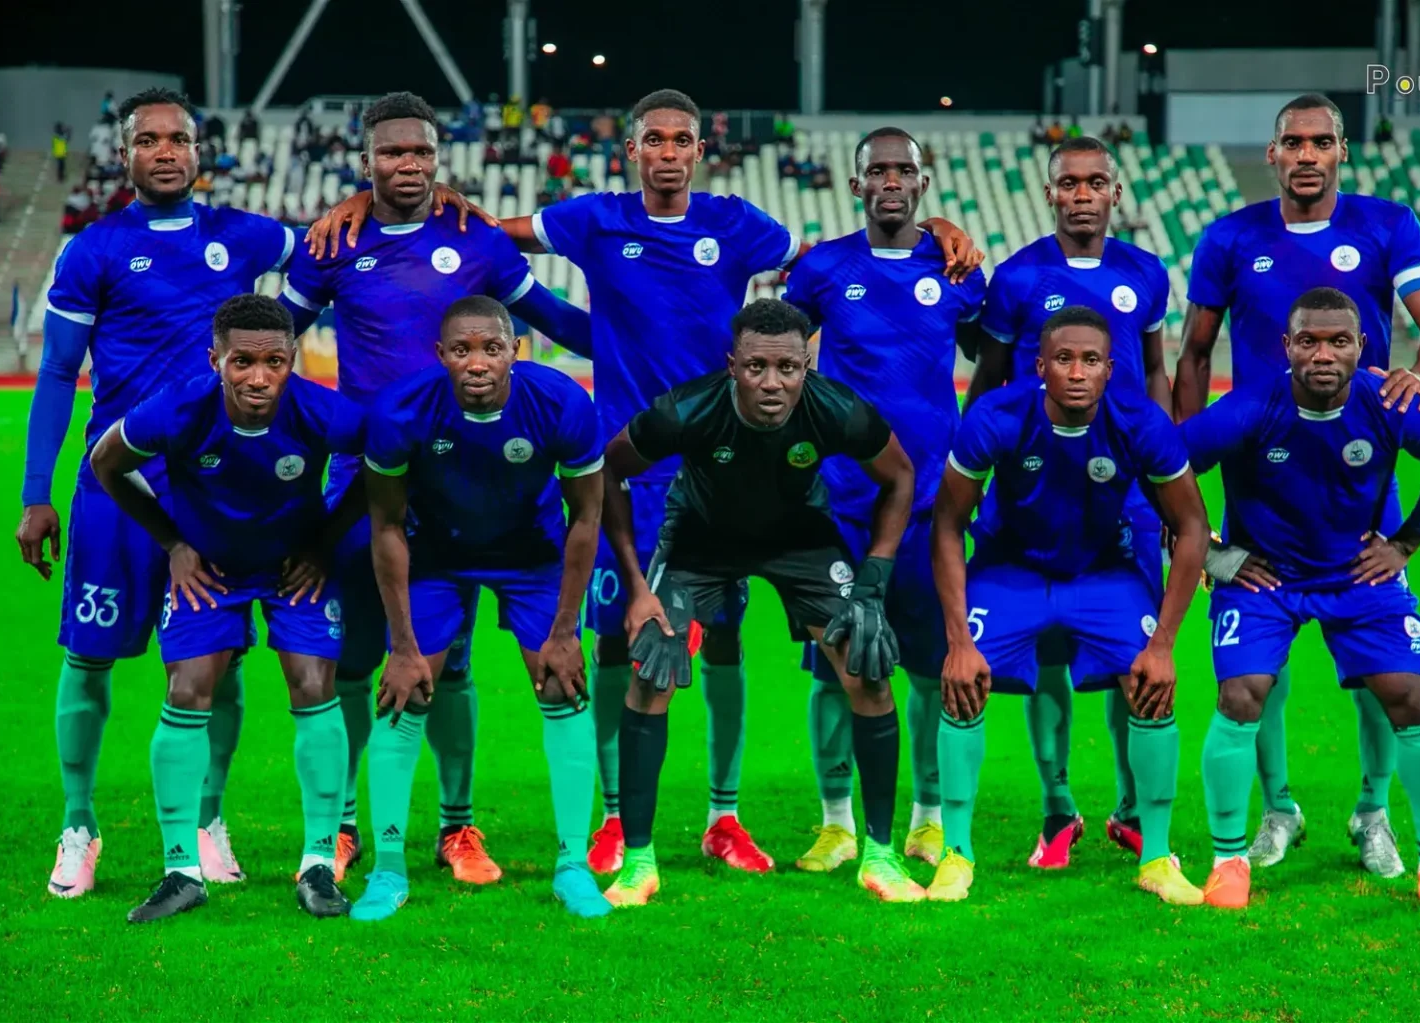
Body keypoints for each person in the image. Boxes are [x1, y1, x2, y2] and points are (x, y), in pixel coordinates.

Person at [304, 88, 979, 878]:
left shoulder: (737, 224)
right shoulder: (594, 218)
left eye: (680, 140)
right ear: (632, 150)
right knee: (620, 642)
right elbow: (485, 230)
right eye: (653, 139)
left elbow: (836, 254)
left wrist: (932, 227)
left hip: (726, 469)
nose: (667, 152)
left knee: (723, 642)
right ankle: (617, 820)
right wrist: (378, 201)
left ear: (699, 150)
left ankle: (723, 816)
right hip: (625, 467)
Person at [278, 91, 591, 884]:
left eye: (421, 152)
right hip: (367, 478)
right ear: (365, 161)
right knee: (358, 658)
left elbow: (556, 319)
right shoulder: (332, 243)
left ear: (439, 159)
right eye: (391, 153)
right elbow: (270, 342)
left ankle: (458, 825)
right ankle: (342, 824)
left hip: (468, 479)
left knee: (447, 664)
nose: (408, 165)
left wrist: (661, 343)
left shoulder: (474, 239)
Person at [18, 88, 302, 899]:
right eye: (149, 140)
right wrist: (37, 493)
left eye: (179, 138)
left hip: (213, 491)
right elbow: (57, 372)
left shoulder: (244, 235)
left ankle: (209, 820)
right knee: (90, 655)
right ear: (125, 155)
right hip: (117, 487)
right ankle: (79, 823)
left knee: (221, 663)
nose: (166, 151)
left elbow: (323, 253)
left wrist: (357, 206)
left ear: (201, 151)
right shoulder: (94, 249)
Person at [1174, 92, 1420, 877]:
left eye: (1321, 142)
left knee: (1379, 666)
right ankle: (1278, 808)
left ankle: (1373, 810)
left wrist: (1419, 377)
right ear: (1272, 153)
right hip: (1260, 472)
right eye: (1293, 142)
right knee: (1256, 666)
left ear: (1342, 151)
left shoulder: (1388, 224)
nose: (1306, 155)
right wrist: (1186, 489)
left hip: (1359, 475)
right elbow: (1194, 355)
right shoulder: (1230, 236)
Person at [599, 299, 920, 905]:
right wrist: (639, 588)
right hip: (699, 542)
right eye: (756, 368)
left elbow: (900, 476)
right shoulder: (686, 410)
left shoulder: (837, 409)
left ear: (806, 367)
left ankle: (880, 856)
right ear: (732, 366)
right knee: (652, 672)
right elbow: (606, 471)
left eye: (788, 368)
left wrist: (873, 579)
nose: (772, 383)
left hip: (801, 540)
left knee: (869, 669)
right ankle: (638, 864)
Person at [1179, 287, 1420, 917]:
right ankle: (1230, 860)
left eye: (1338, 341)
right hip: (1267, 579)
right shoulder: (1251, 406)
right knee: (1241, 695)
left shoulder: (1388, 401)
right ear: (1285, 346)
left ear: (1361, 347)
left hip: (1357, 575)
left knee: (1410, 695)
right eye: (1309, 341)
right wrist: (1211, 552)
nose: (1323, 354)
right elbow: (1163, 467)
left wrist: (1406, 543)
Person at [87, 294, 365, 922]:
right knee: (187, 691)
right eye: (242, 362)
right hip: (209, 570)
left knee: (313, 683)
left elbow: (386, 461)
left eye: (274, 362)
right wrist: (173, 544)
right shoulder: (179, 409)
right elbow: (106, 461)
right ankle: (181, 872)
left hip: (293, 568)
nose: (259, 377)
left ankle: (318, 865)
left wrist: (324, 542)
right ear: (215, 360)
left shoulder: (320, 410)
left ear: (293, 358)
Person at [929, 305, 1209, 905]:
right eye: (1063, 359)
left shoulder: (1141, 421)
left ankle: (1157, 857)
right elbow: (947, 524)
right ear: (1040, 367)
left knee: (1151, 684)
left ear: (1110, 368)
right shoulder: (996, 417)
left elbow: (1192, 527)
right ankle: (955, 854)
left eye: (1090, 360)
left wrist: (1163, 646)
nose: (1077, 372)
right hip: (1011, 570)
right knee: (961, 682)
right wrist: (958, 641)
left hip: (1103, 572)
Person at [355, 296, 610, 922]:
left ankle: (573, 866)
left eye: (492, 348)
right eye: (462, 350)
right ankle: (387, 871)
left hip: (533, 556)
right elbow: (385, 527)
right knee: (405, 692)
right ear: (440, 355)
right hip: (436, 557)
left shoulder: (561, 402)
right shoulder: (400, 411)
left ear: (514, 352)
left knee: (563, 685)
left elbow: (587, 517)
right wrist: (402, 646)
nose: (477, 363)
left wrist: (565, 632)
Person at [783, 127, 987, 873]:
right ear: (857, 184)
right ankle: (836, 821)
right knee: (835, 670)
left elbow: (993, 357)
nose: (891, 180)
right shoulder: (823, 268)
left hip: (931, 508)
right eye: (878, 170)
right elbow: (778, 357)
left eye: (905, 170)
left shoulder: (956, 269)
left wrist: (972, 439)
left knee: (931, 670)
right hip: (840, 505)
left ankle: (928, 817)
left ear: (924, 183)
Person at [966, 135, 1173, 868]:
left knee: (1134, 650)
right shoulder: (1018, 277)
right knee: (1045, 642)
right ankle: (1057, 806)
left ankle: (1131, 807)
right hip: (1038, 484)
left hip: (1127, 490)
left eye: (1095, 182)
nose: (1082, 195)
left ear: (1116, 192)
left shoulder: (1145, 272)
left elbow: (1155, 372)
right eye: (1069, 183)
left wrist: (1165, 476)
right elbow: (989, 381)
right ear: (1049, 192)